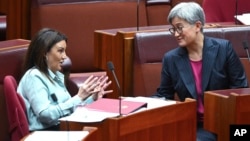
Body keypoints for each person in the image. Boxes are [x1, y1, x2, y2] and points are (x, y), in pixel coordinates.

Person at [151, 2, 248, 141]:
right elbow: (164, 95)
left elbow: (240, 88)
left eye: (179, 28)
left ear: (197, 26)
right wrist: (140, 103)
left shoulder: (223, 49)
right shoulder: (171, 59)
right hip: (197, 126)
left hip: (227, 121)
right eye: (173, 29)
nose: (176, 34)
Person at [17, 28, 113, 131]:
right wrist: (79, 97)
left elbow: (68, 108)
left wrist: (92, 98)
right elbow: (45, 115)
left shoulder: (56, 76)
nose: (65, 56)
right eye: (60, 51)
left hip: (61, 127)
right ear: (45, 53)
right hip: (47, 133)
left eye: (65, 51)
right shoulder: (34, 76)